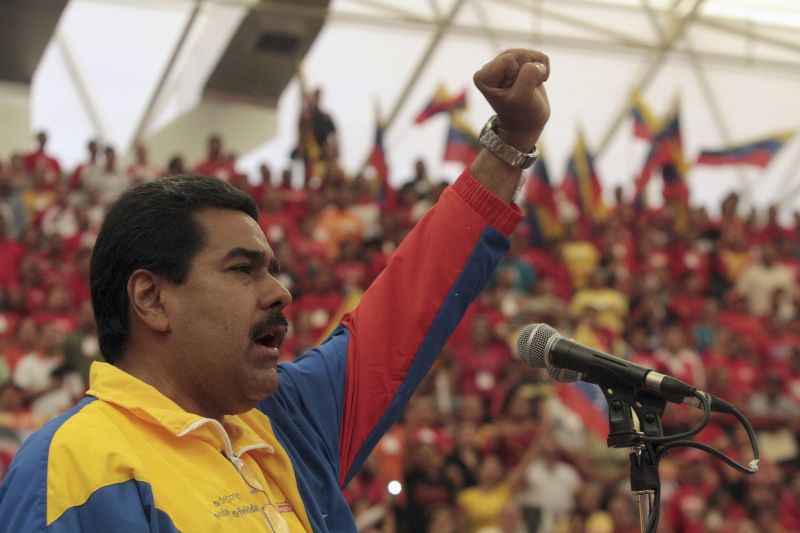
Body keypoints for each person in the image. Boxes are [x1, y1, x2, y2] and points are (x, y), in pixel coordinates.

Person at [0, 48, 551, 531]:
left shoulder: (286, 417)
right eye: (243, 270)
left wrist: (509, 143)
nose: (280, 293)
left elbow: (412, 301)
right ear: (150, 298)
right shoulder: (74, 466)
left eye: (272, 269)